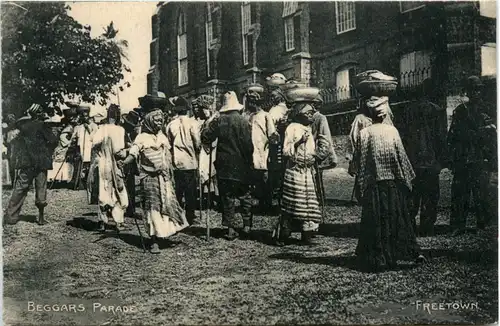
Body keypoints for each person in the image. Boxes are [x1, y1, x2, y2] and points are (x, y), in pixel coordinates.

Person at [353, 97, 424, 272]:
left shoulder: (365, 133)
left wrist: (361, 184)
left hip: (374, 185)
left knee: (376, 220)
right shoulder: (392, 131)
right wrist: (407, 179)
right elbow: (401, 157)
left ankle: (378, 257)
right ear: (385, 114)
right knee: (396, 218)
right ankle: (400, 254)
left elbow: (362, 162)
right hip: (392, 183)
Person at [120, 109, 189, 253]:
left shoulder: (162, 136)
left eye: (160, 121)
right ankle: (153, 240)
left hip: (164, 177)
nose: (159, 123)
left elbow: (168, 155)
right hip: (149, 177)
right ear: (150, 122)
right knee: (152, 207)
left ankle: (162, 234)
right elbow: (133, 154)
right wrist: (124, 163)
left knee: (166, 203)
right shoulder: (141, 138)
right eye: (156, 121)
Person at [447, 76, 497, 235]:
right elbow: (454, 136)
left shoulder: (488, 109)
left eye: (478, 89)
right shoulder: (461, 111)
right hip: (463, 158)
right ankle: (457, 226)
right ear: (467, 92)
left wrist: (493, 158)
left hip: (481, 157)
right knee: (460, 194)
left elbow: (493, 135)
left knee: (482, 194)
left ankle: (483, 225)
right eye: (472, 90)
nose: (475, 92)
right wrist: (480, 132)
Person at [201, 91, 254, 240]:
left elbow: (206, 137)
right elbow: (248, 146)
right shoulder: (243, 121)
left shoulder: (219, 121)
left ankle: (230, 229)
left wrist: (209, 123)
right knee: (245, 195)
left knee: (227, 196)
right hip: (241, 164)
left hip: (224, 165)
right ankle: (247, 225)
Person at [401, 78, 448, 236]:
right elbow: (441, 138)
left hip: (412, 162)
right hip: (430, 161)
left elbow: (403, 137)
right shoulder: (437, 111)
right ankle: (427, 228)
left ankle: (410, 227)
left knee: (413, 195)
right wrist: (442, 161)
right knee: (430, 196)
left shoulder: (408, 110)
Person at [274, 103, 323, 245]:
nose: (310, 116)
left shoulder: (308, 129)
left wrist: (314, 157)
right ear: (300, 114)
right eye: (307, 113)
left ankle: (306, 234)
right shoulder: (292, 128)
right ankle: (284, 234)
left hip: (307, 171)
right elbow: (286, 150)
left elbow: (311, 149)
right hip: (294, 171)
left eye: (311, 113)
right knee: (293, 202)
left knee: (308, 203)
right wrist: (298, 142)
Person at [4, 104, 58, 226]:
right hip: (41, 162)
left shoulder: (24, 126)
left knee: (20, 188)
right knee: (41, 188)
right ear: (39, 114)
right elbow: (54, 141)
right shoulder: (44, 126)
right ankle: (40, 218)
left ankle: (11, 216)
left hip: (26, 162)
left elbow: (17, 143)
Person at [87, 104, 129, 232]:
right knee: (118, 190)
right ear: (117, 116)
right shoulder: (120, 130)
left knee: (103, 190)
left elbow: (93, 142)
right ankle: (118, 221)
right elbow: (118, 151)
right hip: (115, 164)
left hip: (102, 164)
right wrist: (128, 152)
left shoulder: (101, 129)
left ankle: (102, 221)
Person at [165, 96, 201, 224]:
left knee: (178, 190)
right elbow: (197, 142)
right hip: (190, 161)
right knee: (190, 191)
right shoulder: (193, 123)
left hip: (176, 161)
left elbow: (168, 144)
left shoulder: (170, 125)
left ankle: (178, 216)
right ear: (187, 110)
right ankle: (190, 216)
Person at [244, 85, 279, 213]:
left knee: (265, 178)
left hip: (263, 151)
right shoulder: (247, 117)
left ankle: (267, 203)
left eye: (251, 101)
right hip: (251, 151)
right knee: (254, 178)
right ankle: (258, 201)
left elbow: (272, 134)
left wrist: (272, 147)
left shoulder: (265, 116)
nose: (249, 104)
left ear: (256, 102)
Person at [348, 96, 393, 176]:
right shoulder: (360, 119)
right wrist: (352, 161)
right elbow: (353, 139)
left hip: (382, 157)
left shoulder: (385, 118)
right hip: (368, 158)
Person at [192, 95, 219, 209]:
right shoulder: (206, 121)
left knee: (213, 174)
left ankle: (216, 199)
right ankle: (208, 197)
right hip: (205, 149)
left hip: (213, 149)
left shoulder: (215, 120)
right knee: (206, 173)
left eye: (203, 109)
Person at [122, 110, 142, 218]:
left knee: (131, 185)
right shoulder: (121, 131)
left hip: (131, 161)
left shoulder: (134, 133)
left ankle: (131, 209)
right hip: (123, 159)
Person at [72, 106, 98, 189]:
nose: (85, 118)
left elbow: (95, 137)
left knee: (89, 166)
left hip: (90, 148)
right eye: (83, 116)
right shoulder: (79, 127)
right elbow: (74, 137)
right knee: (81, 166)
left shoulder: (94, 126)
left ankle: (89, 183)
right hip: (81, 149)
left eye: (86, 116)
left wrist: (88, 129)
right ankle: (79, 184)